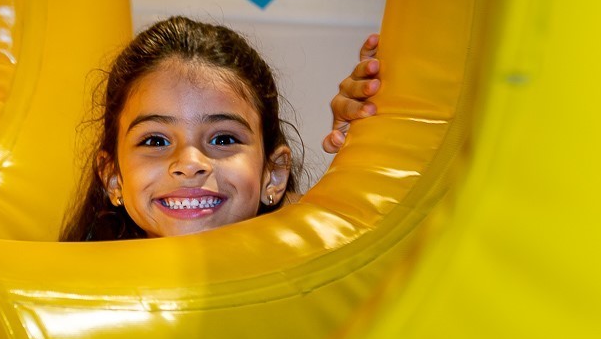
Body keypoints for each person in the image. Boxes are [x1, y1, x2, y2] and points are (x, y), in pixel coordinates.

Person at [60, 17, 380, 241]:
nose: (189, 164)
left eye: (223, 138)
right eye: (155, 140)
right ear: (113, 176)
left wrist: (372, 151)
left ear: (274, 175)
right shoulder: (64, 294)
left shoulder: (329, 271)